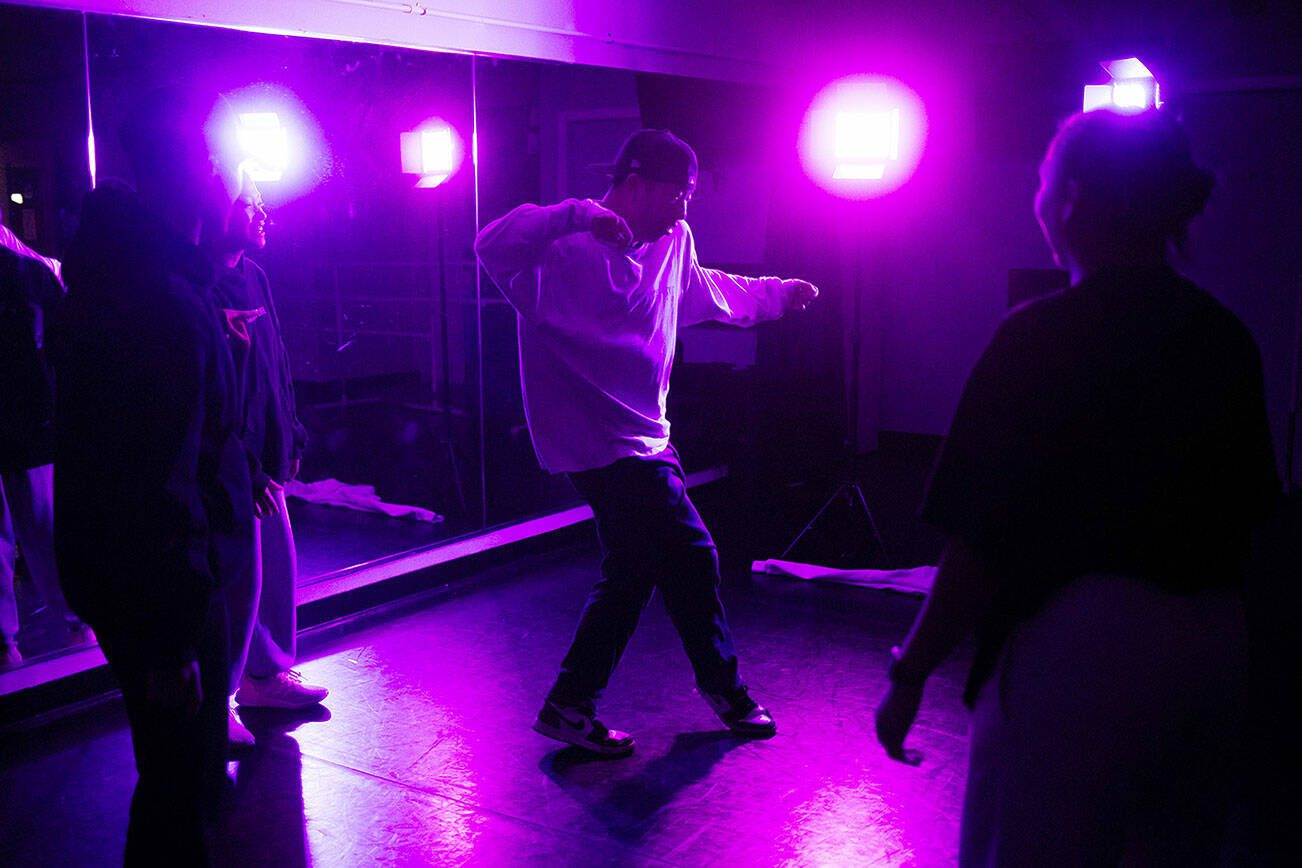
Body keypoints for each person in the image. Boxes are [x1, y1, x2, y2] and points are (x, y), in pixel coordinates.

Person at [874, 108, 1280, 864]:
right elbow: (1258, 524)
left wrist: (910, 672)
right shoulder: (1224, 336)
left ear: (1070, 200)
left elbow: (980, 542)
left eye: (1042, 179)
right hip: (1214, 649)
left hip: (1077, 656)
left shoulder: (1035, 338)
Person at [475, 129, 819, 756]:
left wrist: (775, 293)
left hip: (648, 439)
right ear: (634, 184)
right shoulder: (561, 250)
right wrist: (580, 214)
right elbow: (490, 242)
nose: (683, 210)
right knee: (687, 553)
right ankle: (713, 692)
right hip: (595, 445)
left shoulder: (674, 242)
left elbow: (704, 290)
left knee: (647, 567)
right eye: (676, 194)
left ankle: (577, 705)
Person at [52, 87, 254, 865]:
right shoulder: (158, 302)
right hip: (165, 593)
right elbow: (151, 481)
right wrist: (172, 643)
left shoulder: (135, 279)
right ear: (188, 176)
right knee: (183, 790)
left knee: (178, 781)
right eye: (216, 161)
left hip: (144, 582)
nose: (232, 177)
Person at [206, 177, 326, 751]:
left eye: (260, 205)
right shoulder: (201, 281)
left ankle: (264, 676)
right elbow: (210, 386)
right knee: (237, 584)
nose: (260, 216)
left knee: (273, 571)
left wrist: (291, 432)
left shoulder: (254, 276)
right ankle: (218, 700)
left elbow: (273, 361)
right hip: (234, 464)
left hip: (264, 458)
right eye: (247, 205)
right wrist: (241, 463)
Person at [1, 228, 91, 667]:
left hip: (27, 420)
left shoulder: (19, 263)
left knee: (43, 530)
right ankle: (76, 625)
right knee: (43, 531)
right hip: (28, 419)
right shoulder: (22, 263)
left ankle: (11, 644)